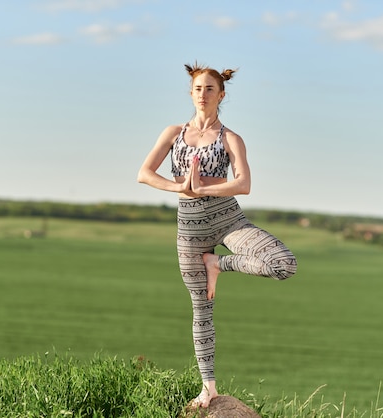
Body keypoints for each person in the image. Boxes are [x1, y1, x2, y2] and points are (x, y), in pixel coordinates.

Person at [137, 62, 298, 408]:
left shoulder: (231, 138)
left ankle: (218, 264)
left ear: (221, 94)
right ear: (190, 93)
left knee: (283, 264)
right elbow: (144, 173)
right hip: (190, 227)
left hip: (228, 219)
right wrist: (180, 185)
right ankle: (208, 388)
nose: (203, 94)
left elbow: (244, 183)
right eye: (197, 89)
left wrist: (207, 184)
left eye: (210, 89)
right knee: (201, 308)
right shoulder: (173, 133)